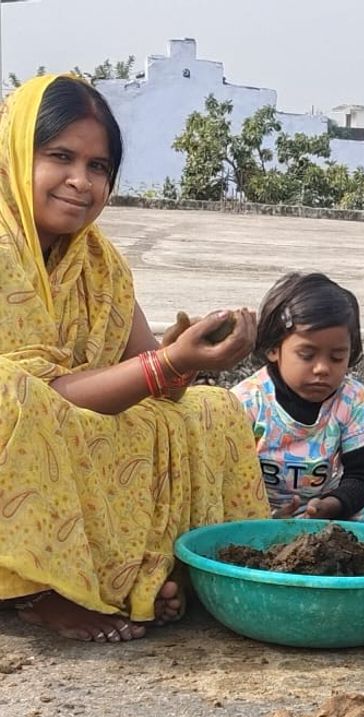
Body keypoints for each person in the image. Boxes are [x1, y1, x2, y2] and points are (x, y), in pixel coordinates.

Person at [0, 74, 269, 642]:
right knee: (10, 393)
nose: (81, 181)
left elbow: (160, 384)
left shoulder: (99, 263)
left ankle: (179, 568)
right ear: (16, 153)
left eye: (99, 167)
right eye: (60, 157)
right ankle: (40, 590)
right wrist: (168, 362)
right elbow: (44, 395)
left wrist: (195, 352)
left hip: (65, 416)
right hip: (22, 420)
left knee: (212, 409)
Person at [232, 272, 364, 528]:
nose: (322, 369)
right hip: (257, 519)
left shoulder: (352, 399)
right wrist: (263, 518)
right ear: (273, 349)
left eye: (337, 357)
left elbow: (361, 478)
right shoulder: (247, 401)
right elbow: (226, 479)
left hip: (325, 518)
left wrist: (331, 505)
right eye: (307, 355)